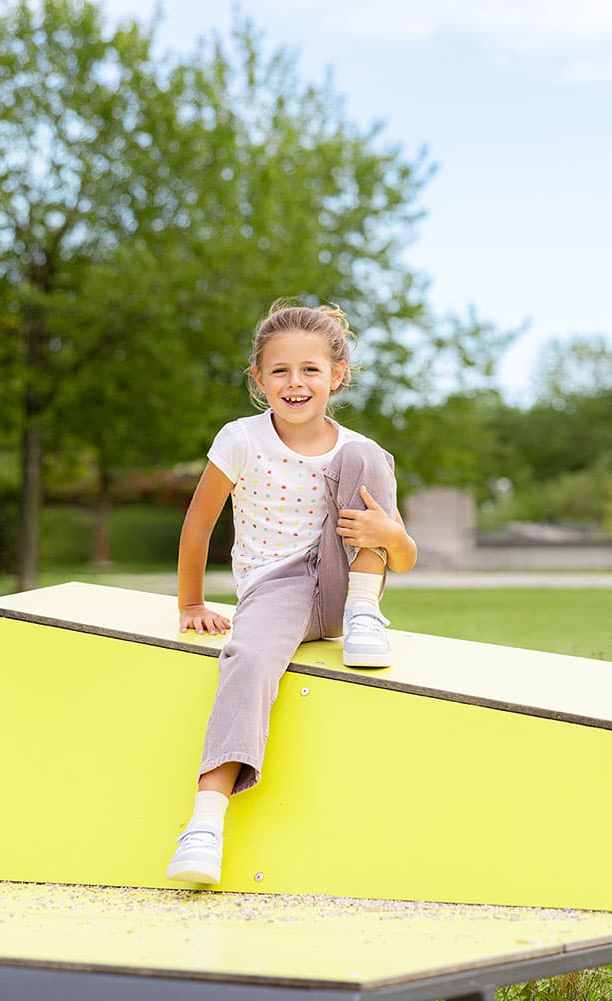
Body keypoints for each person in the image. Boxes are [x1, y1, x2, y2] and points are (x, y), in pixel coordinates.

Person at [166, 299, 418, 885]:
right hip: (274, 590)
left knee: (369, 455)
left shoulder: (357, 451)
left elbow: (403, 559)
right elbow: (199, 524)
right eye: (280, 371)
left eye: (310, 369)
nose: (295, 382)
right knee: (249, 659)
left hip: (342, 587)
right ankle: (204, 825)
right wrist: (192, 604)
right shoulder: (240, 439)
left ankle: (363, 615)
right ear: (259, 380)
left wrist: (391, 534)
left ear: (337, 374)